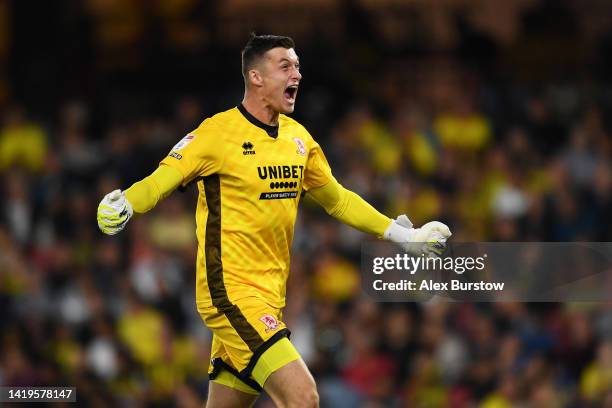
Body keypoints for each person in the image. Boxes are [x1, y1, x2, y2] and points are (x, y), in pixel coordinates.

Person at [97, 33, 451, 408]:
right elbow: (160, 180)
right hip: (230, 296)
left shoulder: (299, 139)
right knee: (303, 397)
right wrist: (126, 203)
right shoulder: (216, 134)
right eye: (285, 66)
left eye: (297, 65)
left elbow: (338, 200)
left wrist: (401, 235)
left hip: (269, 299)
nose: (296, 74)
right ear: (256, 77)